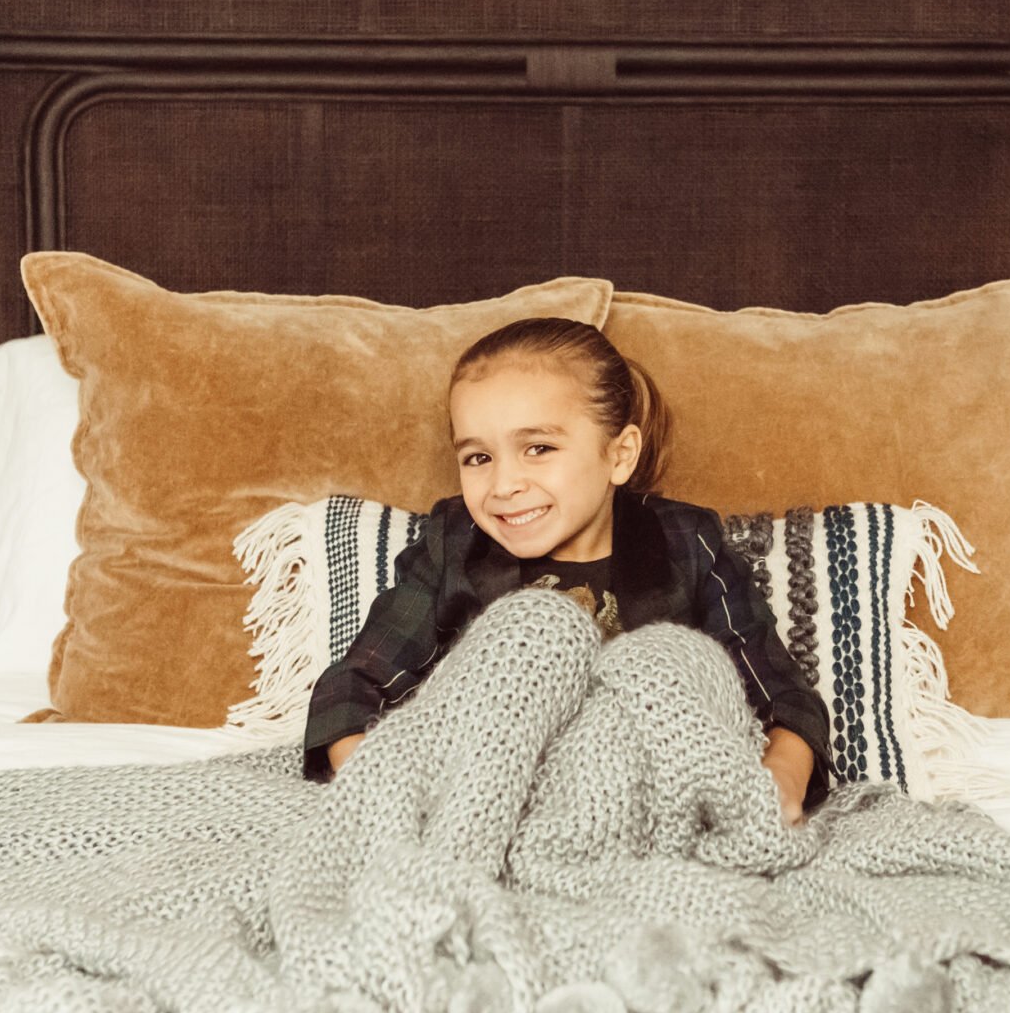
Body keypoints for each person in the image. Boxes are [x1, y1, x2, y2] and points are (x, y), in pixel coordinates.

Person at [301, 317, 833, 824]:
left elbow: (783, 696)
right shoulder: (455, 544)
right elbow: (353, 687)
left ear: (619, 455)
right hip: (488, 799)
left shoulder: (685, 542)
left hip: (645, 797)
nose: (504, 484)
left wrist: (779, 782)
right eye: (478, 458)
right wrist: (379, 787)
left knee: (667, 658)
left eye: (538, 448)